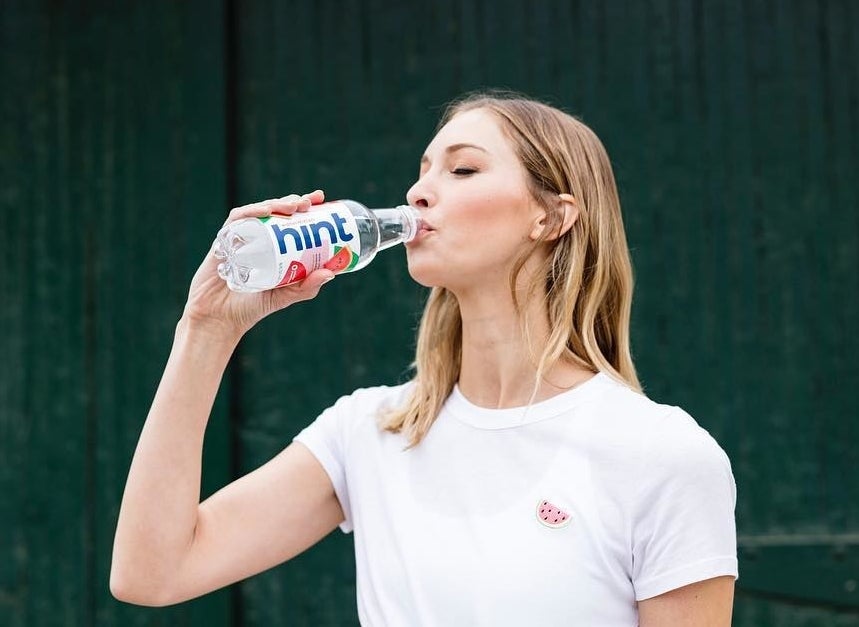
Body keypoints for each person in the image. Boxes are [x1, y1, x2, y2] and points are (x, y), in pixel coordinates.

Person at [111, 92, 738, 625]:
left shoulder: (660, 455)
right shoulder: (371, 432)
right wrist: (206, 329)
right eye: (423, 171)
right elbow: (152, 574)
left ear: (551, 216)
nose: (418, 193)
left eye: (462, 171)